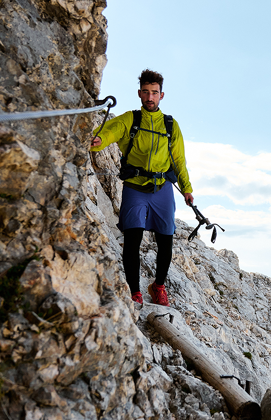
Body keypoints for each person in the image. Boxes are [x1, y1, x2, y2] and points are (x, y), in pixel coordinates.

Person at [90, 69, 193, 306]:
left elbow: (179, 160)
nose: (150, 97)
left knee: (166, 240)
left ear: (161, 95)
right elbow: (111, 131)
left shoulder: (170, 125)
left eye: (154, 93)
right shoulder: (131, 119)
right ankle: (134, 291)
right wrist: (99, 140)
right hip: (135, 186)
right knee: (132, 238)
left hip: (162, 187)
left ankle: (158, 286)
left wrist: (187, 189)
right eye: (146, 92)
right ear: (139, 93)